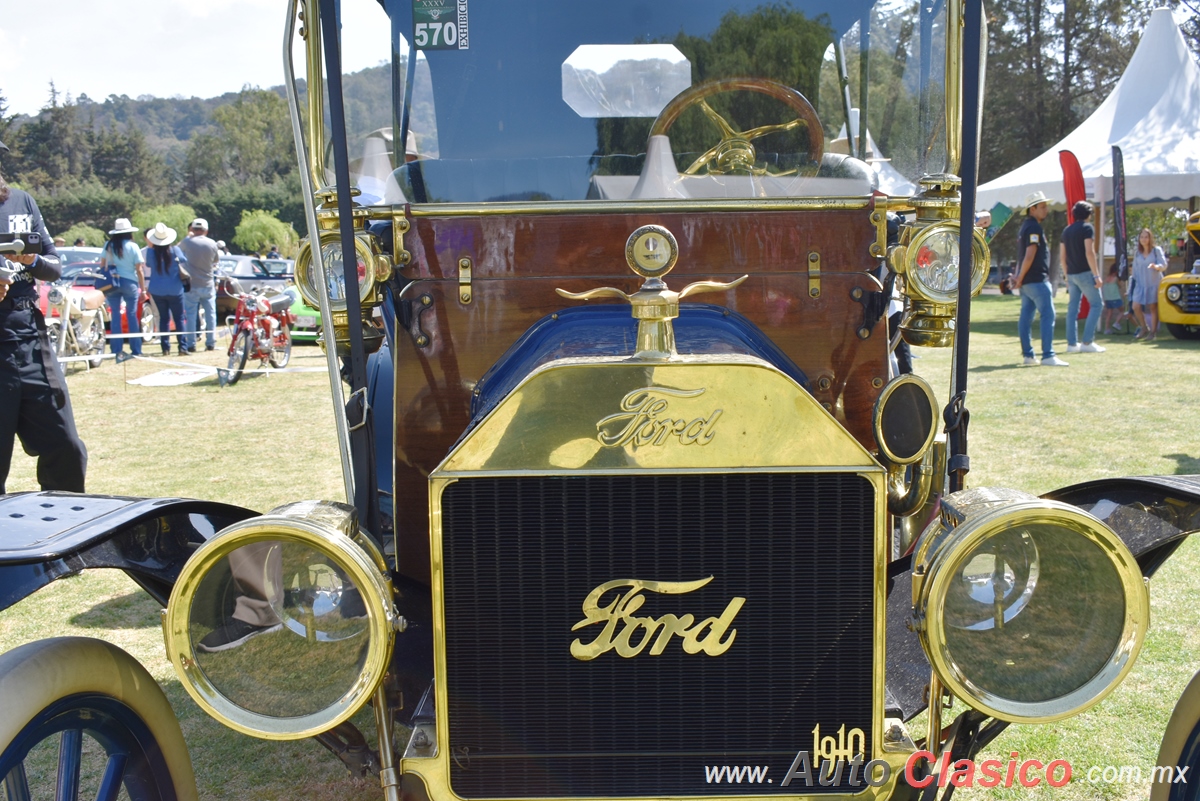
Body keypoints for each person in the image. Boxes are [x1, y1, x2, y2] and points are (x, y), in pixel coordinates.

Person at [0, 138, 87, 494]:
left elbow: (54, 265)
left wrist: (30, 261)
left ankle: (66, 537)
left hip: (28, 336)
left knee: (65, 445)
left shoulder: (21, 201)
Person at [1013, 191, 1068, 367]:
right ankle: (1048, 355)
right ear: (1032, 209)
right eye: (1042, 207)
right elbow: (1030, 254)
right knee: (1047, 315)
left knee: (1026, 317)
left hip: (1028, 281)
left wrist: (1019, 277)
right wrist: (1020, 277)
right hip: (1036, 279)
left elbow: (1022, 256)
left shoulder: (1025, 227)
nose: (1046, 210)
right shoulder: (1034, 228)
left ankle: (1028, 355)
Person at [1059, 200, 1105, 353]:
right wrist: (1096, 275)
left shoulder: (1066, 230)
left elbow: (1062, 257)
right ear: (1088, 214)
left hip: (1071, 274)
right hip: (1085, 272)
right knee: (1097, 304)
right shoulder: (1087, 228)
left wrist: (1066, 276)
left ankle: (1072, 344)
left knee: (1072, 309)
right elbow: (1089, 252)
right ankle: (1087, 342)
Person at [100, 218, 146, 363]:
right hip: (129, 282)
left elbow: (102, 264)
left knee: (115, 316)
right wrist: (143, 289)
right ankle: (136, 349)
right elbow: (139, 269)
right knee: (132, 315)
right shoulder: (133, 247)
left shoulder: (108, 245)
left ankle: (116, 349)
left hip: (112, 282)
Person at [145, 222, 190, 356]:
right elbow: (183, 260)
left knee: (163, 319)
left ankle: (165, 348)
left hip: (157, 289)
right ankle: (182, 347)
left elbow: (148, 264)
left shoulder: (150, 252)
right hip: (175, 289)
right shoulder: (175, 250)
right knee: (179, 318)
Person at [178, 218, 220, 352]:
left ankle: (191, 343)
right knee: (210, 314)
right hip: (207, 283)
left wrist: (187, 236)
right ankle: (210, 342)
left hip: (191, 284)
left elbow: (176, 251)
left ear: (192, 229)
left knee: (190, 314)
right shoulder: (212, 243)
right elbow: (216, 260)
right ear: (206, 231)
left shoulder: (187, 242)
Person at [1131, 227, 1168, 342]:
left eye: (1146, 237)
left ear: (1150, 238)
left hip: (1153, 283)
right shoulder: (1137, 253)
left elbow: (1163, 264)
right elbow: (1135, 270)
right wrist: (1132, 283)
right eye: (1141, 237)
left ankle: (1153, 332)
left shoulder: (1156, 250)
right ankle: (1144, 327)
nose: (1143, 239)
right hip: (1140, 284)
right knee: (1135, 306)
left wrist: (1157, 267)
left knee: (1153, 307)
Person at [1100, 263, 1125, 334]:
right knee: (1122, 310)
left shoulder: (1107, 278)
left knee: (1109, 314)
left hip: (1107, 298)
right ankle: (1117, 322)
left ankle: (1107, 329)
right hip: (1115, 297)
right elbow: (1120, 286)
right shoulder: (1116, 278)